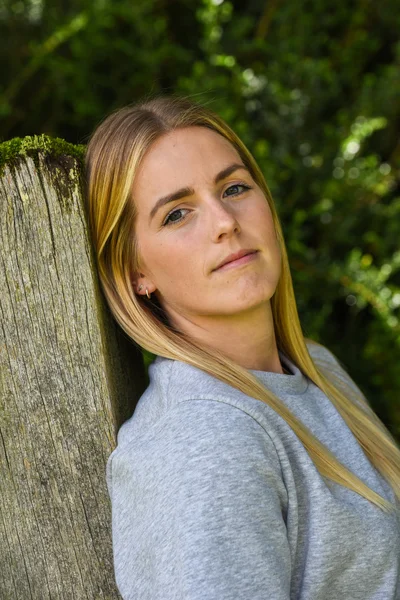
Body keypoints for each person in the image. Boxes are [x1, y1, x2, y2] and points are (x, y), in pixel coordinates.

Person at [84, 94, 400, 600]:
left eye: (234, 188)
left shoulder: (316, 368)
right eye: (177, 214)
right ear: (135, 272)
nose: (225, 222)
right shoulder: (203, 439)